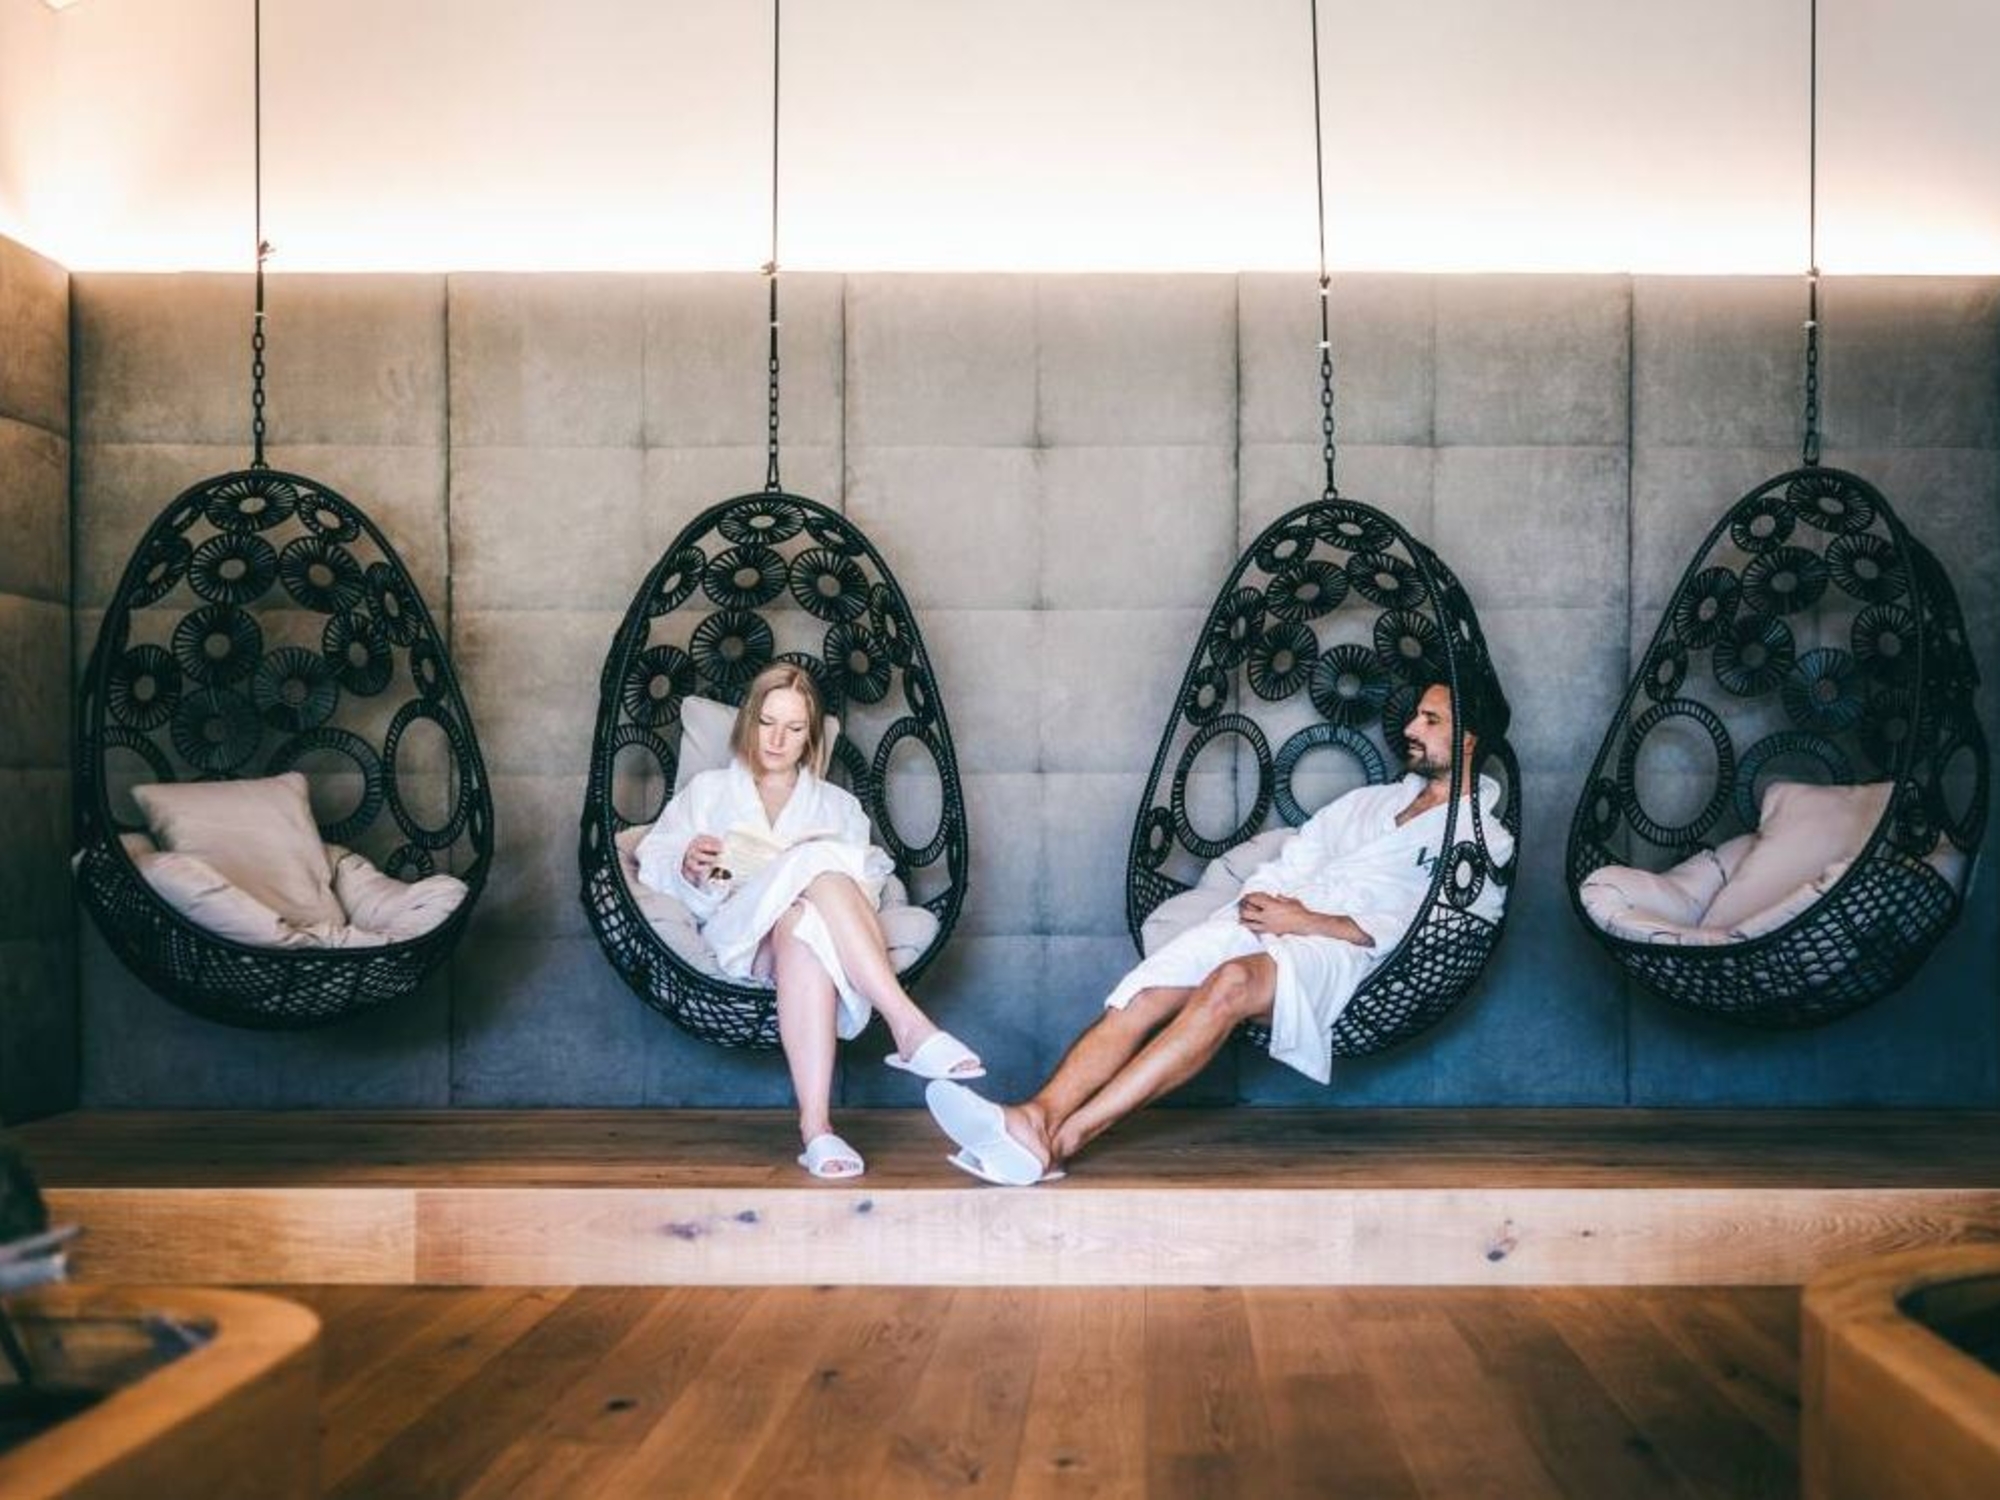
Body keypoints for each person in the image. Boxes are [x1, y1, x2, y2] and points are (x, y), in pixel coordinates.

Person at [925, 677, 1512, 1186]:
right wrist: (1264, 900)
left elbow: (1438, 926)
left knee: (1230, 982)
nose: (1410, 728)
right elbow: (1301, 855)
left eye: (1430, 720)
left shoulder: (1485, 839)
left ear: (1468, 740)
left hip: (1350, 953)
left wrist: (1307, 922)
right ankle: (1034, 1118)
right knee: (1146, 992)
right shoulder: (1369, 803)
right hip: (1280, 917)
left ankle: (1064, 1139)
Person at [634, 662, 983, 1179]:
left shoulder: (837, 805)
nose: (777, 739)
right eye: (767, 722)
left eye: (794, 728)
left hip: (802, 933)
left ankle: (816, 1130)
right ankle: (908, 1025)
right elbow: (651, 862)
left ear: (810, 736)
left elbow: (869, 882)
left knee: (803, 916)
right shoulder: (707, 791)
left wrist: (805, 875)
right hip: (738, 931)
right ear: (749, 721)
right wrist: (687, 865)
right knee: (818, 863)